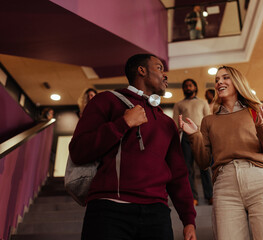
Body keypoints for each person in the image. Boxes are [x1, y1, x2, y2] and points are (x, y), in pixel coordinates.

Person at [69, 54, 197, 240]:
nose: (165, 75)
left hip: (157, 214)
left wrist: (188, 220)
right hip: (108, 210)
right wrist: (123, 124)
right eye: (160, 68)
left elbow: (178, 174)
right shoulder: (105, 101)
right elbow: (79, 151)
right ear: (142, 70)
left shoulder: (166, 122)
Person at [179, 66, 263, 240]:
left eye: (225, 78)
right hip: (225, 185)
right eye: (217, 80)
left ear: (237, 82)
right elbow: (203, 162)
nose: (219, 82)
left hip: (259, 180)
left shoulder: (255, 111)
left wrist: (262, 125)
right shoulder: (208, 121)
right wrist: (194, 135)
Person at [173, 79, 213, 206]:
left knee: (205, 166)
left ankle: (210, 195)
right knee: (187, 168)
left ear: (195, 87)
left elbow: (208, 120)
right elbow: (175, 122)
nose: (188, 87)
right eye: (185, 86)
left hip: (201, 134)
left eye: (190, 85)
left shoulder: (203, 102)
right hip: (185, 136)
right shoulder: (178, 104)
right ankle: (192, 197)